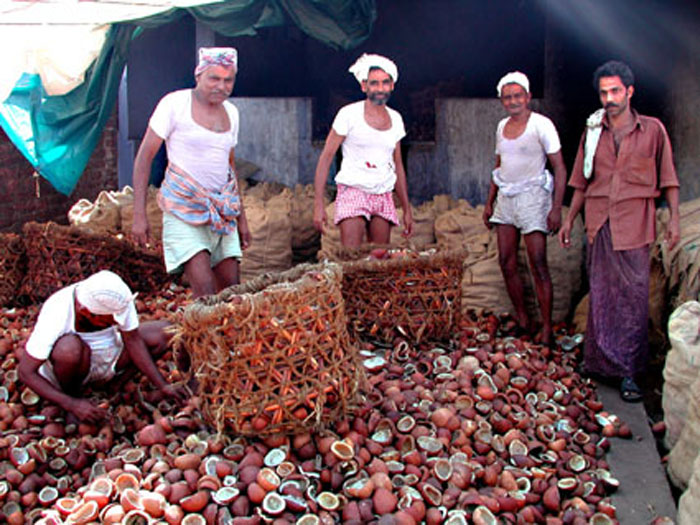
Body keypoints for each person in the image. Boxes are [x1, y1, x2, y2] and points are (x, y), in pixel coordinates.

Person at [559, 60, 680, 402]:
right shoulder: (593, 130)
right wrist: (570, 220)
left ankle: (630, 370)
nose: (608, 98)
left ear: (629, 91)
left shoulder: (653, 130)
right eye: (603, 92)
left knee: (634, 296)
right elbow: (581, 182)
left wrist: (673, 220)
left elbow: (669, 178)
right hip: (599, 221)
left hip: (635, 222)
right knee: (600, 291)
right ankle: (598, 364)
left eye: (615, 91)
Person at [132, 47, 250, 298]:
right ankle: (204, 335)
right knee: (205, 292)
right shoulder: (174, 104)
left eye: (228, 80)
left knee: (232, 292)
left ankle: (220, 338)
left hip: (221, 211)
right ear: (199, 76)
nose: (221, 86)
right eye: (214, 78)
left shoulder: (232, 113)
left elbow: (229, 167)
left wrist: (242, 219)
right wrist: (139, 215)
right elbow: (144, 159)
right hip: (183, 209)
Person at [18, 270, 186, 424]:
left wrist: (162, 384)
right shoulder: (57, 310)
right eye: (111, 319)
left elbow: (133, 341)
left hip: (109, 358)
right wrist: (71, 404)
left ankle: (115, 386)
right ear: (87, 312)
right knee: (69, 348)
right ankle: (73, 395)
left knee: (165, 332)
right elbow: (25, 372)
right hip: (71, 368)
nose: (117, 321)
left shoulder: (116, 300)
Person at [483, 71, 567, 346]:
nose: (513, 101)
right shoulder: (501, 126)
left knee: (538, 262)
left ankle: (546, 328)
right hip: (507, 196)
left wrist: (556, 208)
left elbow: (560, 168)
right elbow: (499, 165)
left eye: (518, 95)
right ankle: (522, 319)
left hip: (533, 196)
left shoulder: (541, 125)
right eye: (507, 97)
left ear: (528, 97)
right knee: (506, 261)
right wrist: (489, 202)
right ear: (501, 101)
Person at [313, 53, 413, 247]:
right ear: (364, 86)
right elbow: (325, 158)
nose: (380, 89)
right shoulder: (349, 115)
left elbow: (398, 165)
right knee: (351, 257)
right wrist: (318, 205)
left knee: (378, 258)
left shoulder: (396, 119)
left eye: (385, 83)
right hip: (353, 190)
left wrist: (407, 209)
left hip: (382, 192)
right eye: (374, 84)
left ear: (392, 86)